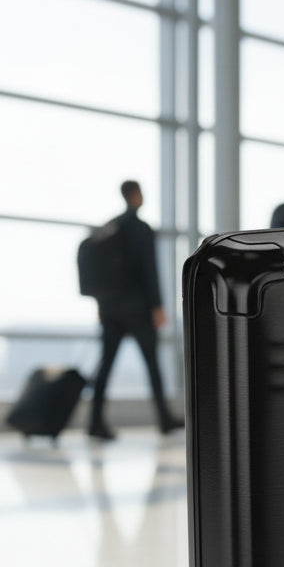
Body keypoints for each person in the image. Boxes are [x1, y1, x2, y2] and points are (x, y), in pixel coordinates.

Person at [89, 181, 183, 441]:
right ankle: (164, 420)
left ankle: (94, 422)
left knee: (105, 367)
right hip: (139, 309)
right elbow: (148, 271)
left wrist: (101, 305)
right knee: (152, 365)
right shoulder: (141, 229)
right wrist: (157, 306)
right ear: (136, 195)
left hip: (111, 309)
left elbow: (101, 273)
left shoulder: (109, 227)